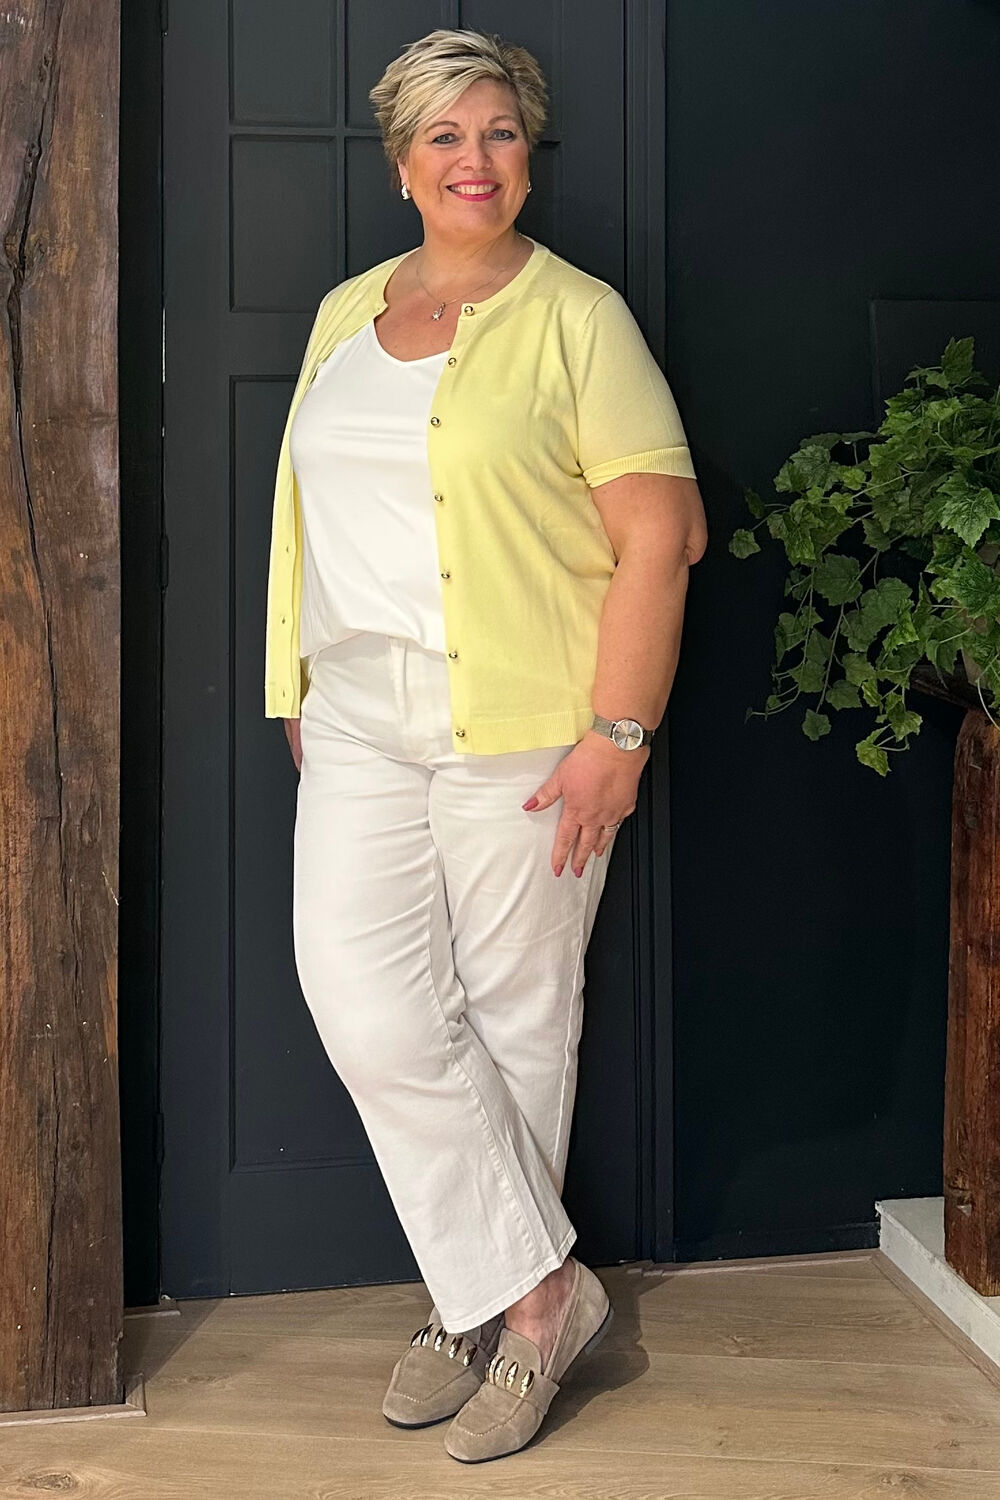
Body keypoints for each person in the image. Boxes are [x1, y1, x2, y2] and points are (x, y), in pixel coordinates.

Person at [262, 25, 707, 1465]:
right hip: (359, 716)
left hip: (529, 722)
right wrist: (293, 674)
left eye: (501, 132)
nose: (475, 159)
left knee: (516, 1011)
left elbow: (663, 537)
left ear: (528, 156)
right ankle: (531, 1287)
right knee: (364, 999)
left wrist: (619, 734)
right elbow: (308, 508)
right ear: (401, 164)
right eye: (446, 136)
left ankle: (501, 1320)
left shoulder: (581, 319)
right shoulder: (346, 312)